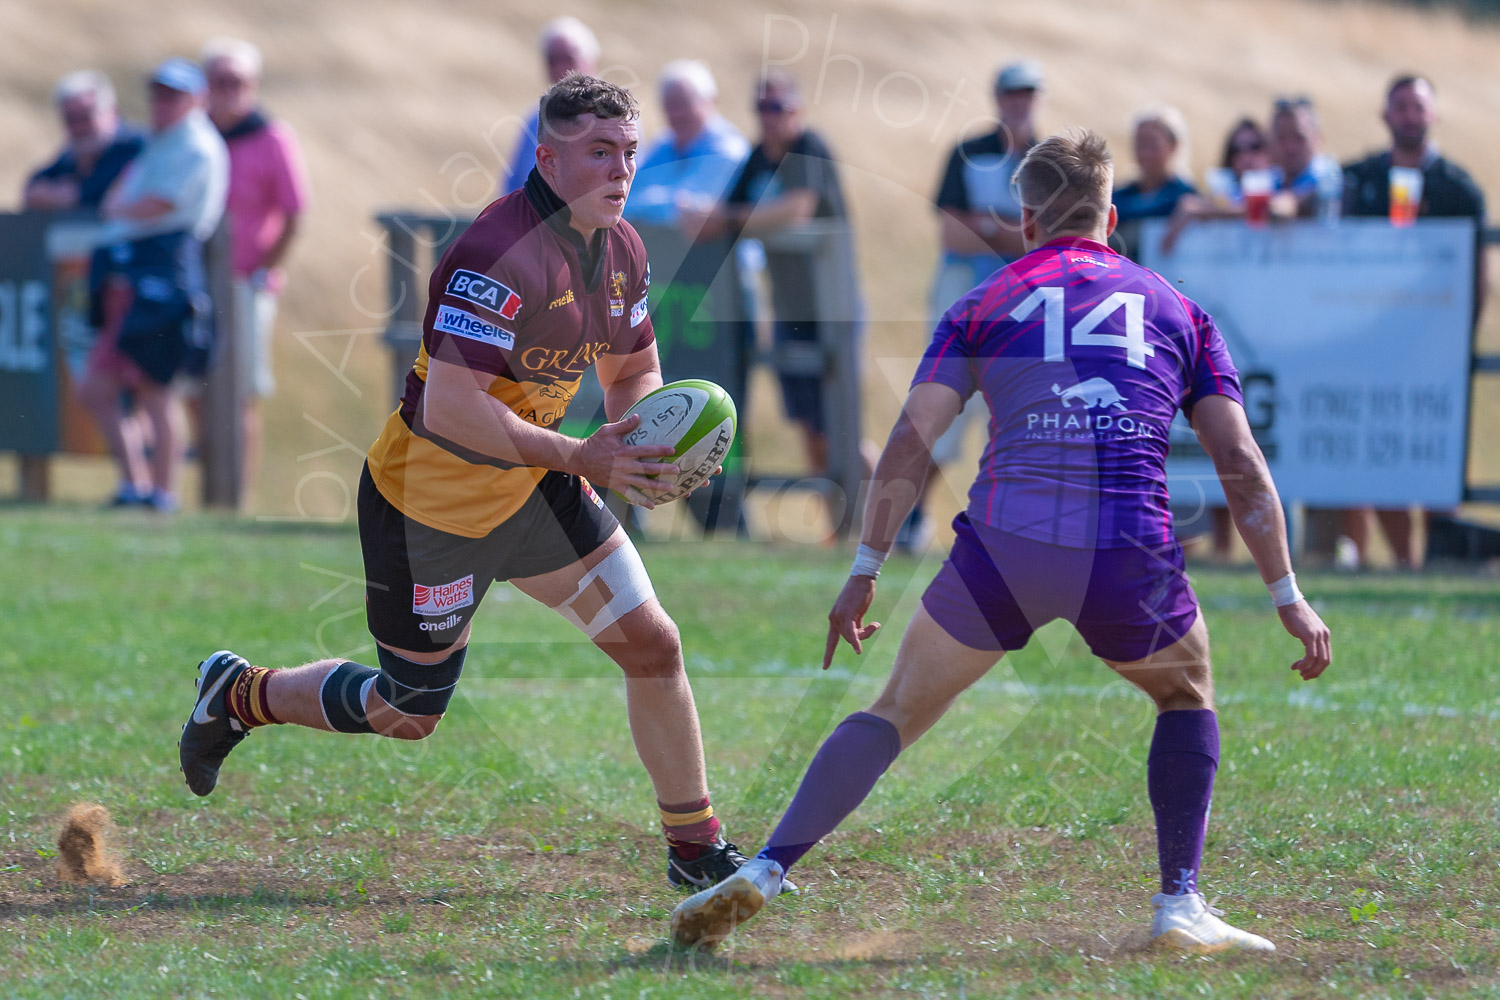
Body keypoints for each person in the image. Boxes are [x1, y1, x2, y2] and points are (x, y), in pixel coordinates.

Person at [671, 129, 1332, 954]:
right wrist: (1287, 595)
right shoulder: (1177, 308)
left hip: (1006, 546)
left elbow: (911, 442)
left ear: (1026, 222)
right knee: (1185, 693)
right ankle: (1179, 903)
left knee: (894, 711)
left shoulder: (984, 302)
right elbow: (1239, 461)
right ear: (1111, 218)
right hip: (1125, 547)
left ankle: (769, 865)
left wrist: (866, 568)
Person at [178, 74, 783, 896]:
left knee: (653, 644)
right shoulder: (496, 254)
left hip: (536, 487)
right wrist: (583, 457)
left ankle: (696, 847)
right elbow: (453, 408)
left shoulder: (623, 250)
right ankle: (242, 694)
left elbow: (633, 370)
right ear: (548, 161)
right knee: (408, 711)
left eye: (629, 152)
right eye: (599, 153)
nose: (620, 171)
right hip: (431, 505)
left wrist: (644, 441)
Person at [691, 70, 872, 518]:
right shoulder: (758, 157)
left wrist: (727, 221)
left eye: (777, 107)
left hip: (832, 308)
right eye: (762, 108)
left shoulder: (809, 147)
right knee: (811, 425)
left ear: (797, 109)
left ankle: (893, 524)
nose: (769, 118)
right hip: (789, 310)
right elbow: (727, 212)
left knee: (844, 428)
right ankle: (838, 525)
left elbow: (797, 208)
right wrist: (714, 219)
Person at [1338, 73, 1488, 570]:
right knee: (1387, 458)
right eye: (1400, 106)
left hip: (1435, 351)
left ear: (1433, 114)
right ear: (1385, 115)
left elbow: (1478, 276)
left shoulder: (1458, 187)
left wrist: (1456, 342)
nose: (1409, 115)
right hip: (1373, 346)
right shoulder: (1359, 179)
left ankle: (1440, 561)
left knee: (1436, 457)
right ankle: (1404, 561)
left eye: (1418, 106)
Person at [900, 60, 1044, 553]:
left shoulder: (1047, 159)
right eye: (1013, 92)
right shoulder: (968, 152)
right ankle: (911, 516)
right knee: (942, 404)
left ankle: (1006, 522)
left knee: (1012, 413)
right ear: (998, 97)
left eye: (1028, 93)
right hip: (963, 299)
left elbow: (1043, 239)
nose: (1020, 102)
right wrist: (1011, 231)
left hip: (1021, 305)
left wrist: (984, 224)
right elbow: (952, 233)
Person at [78, 58, 228, 512]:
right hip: (134, 274)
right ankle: (135, 485)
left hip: (165, 275)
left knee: (155, 387)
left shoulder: (197, 145)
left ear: (197, 99)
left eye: (173, 95)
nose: (162, 103)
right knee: (100, 387)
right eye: (159, 93)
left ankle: (162, 493)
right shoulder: (162, 141)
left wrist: (117, 212)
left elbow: (158, 204)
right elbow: (123, 198)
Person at [201, 37, 312, 499]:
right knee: (193, 390)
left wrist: (263, 270)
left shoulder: (271, 137)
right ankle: (205, 490)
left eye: (238, 81)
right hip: (197, 283)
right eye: (219, 80)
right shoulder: (197, 134)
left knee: (242, 391)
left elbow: (295, 213)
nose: (228, 90)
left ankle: (236, 495)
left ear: (253, 84)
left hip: (246, 283)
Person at [625, 59, 749, 227]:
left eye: (684, 104)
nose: (677, 114)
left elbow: (687, 212)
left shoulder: (728, 150)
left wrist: (637, 204)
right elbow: (629, 192)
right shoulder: (665, 143)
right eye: (670, 106)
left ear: (708, 102)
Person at [499, 17, 599, 196]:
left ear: (591, 60)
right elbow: (513, 185)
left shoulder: (614, 117)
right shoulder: (535, 119)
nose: (561, 68)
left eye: (569, 58)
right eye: (552, 60)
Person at [23, 71, 145, 213]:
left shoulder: (138, 146)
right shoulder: (74, 154)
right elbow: (34, 187)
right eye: (70, 119)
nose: (78, 127)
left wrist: (74, 195)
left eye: (85, 117)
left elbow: (101, 192)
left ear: (112, 112)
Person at [1111, 105, 1197, 258]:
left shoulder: (1184, 194)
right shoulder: (1122, 193)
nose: (1145, 152)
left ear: (1173, 145)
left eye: (1153, 143)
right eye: (1140, 143)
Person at [1268, 96, 1342, 219]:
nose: (1290, 147)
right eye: (1282, 138)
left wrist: (1292, 204)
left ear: (1317, 139)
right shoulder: (1269, 179)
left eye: (1299, 137)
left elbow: (1326, 194)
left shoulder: (1329, 173)